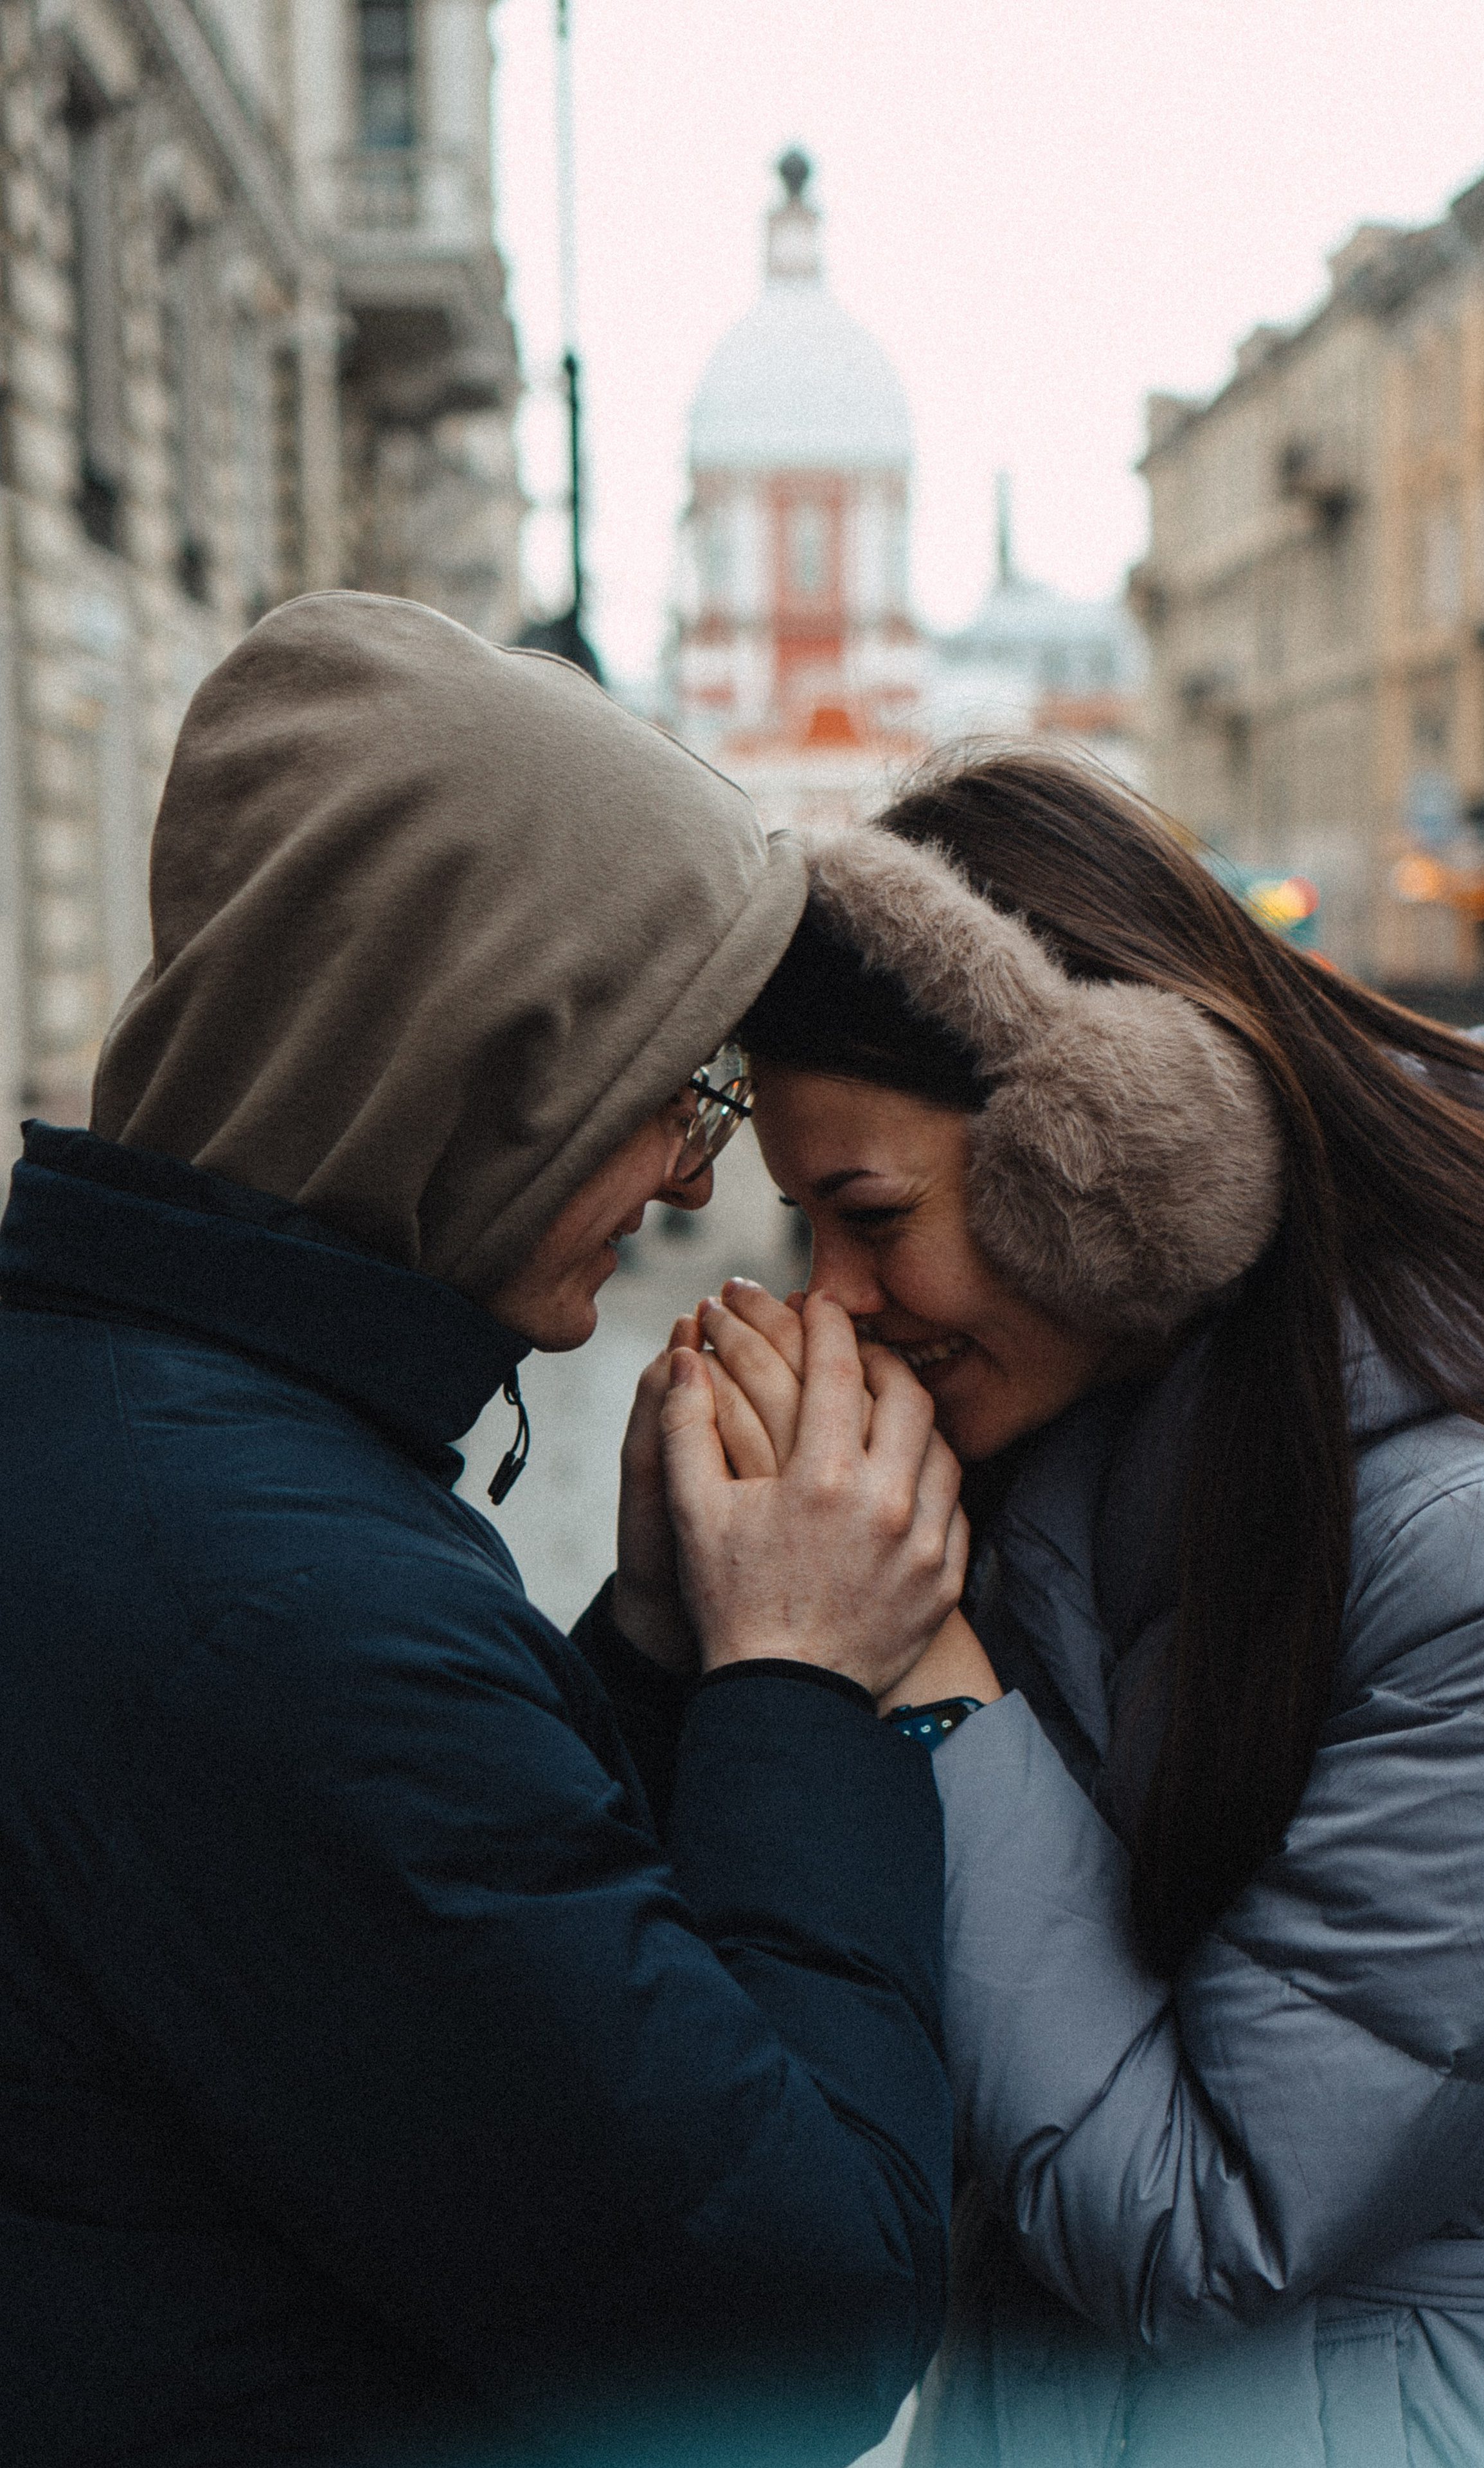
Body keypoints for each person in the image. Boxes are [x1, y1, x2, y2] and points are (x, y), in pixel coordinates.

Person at [0, 593, 971, 2468]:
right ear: (484, 1064)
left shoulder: (149, 1423)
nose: (703, 1176)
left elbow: (430, 1979)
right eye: (681, 1090)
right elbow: (786, 2331)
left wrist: (657, 1657)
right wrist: (801, 1682)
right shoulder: (273, 1604)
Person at [694, 747, 1484, 2467]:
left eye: (871, 1218)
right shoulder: (1080, 1416)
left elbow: (1205, 2220)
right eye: (801, 1222)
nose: (826, 1300)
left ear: (1117, 1167)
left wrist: (913, 1662)